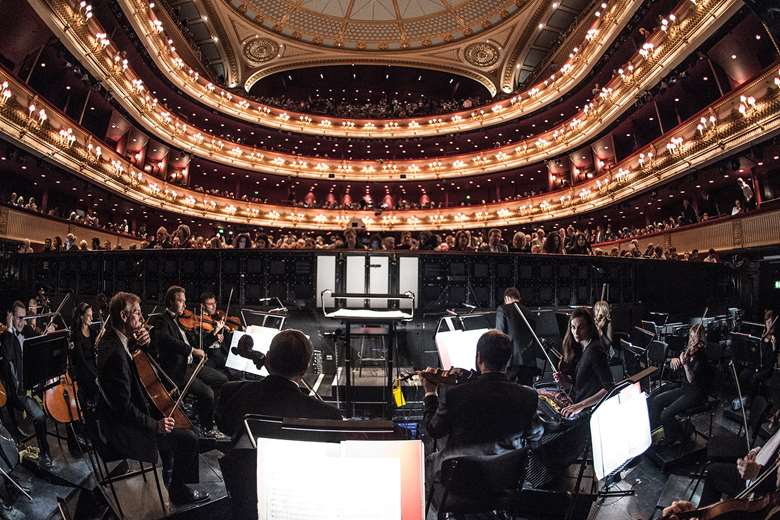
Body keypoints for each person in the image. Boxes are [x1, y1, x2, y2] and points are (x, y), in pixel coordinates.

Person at [95, 292, 209, 505]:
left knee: (188, 426)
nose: (141, 318)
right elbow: (124, 409)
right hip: (123, 430)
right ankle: (179, 492)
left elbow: (140, 367)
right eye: (137, 313)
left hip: (130, 412)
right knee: (189, 438)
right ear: (124, 316)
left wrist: (144, 345)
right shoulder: (114, 355)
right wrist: (156, 425)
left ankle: (169, 471)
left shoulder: (116, 339)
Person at [218, 330, 342, 520]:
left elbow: (225, 427)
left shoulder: (232, 393)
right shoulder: (326, 414)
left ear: (268, 359)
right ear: (305, 368)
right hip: (301, 502)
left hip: (247, 498)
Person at [423, 329, 538, 455]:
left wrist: (430, 393)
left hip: (464, 473)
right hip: (508, 471)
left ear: (479, 358)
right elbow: (535, 436)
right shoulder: (528, 396)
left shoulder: (454, 395)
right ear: (508, 360)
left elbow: (434, 430)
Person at [149, 286, 228, 440]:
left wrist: (213, 334)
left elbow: (198, 345)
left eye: (184, 301)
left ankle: (201, 413)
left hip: (192, 366)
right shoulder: (161, 319)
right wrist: (191, 350)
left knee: (222, 380)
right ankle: (208, 427)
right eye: (180, 301)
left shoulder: (180, 322)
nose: (184, 305)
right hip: (178, 370)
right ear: (170, 301)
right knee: (208, 393)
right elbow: (165, 339)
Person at [0, 301, 53, 467]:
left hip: (31, 385)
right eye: (18, 318)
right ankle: (45, 454)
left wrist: (47, 335)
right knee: (39, 416)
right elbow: (7, 357)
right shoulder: (6, 337)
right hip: (16, 392)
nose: (22, 322)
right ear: (11, 318)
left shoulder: (27, 332)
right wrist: (9, 329)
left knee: (45, 410)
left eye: (24, 318)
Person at [649, 324, 712, 446]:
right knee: (656, 401)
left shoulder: (702, 355)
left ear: (701, 339)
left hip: (696, 393)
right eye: (690, 337)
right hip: (685, 388)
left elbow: (691, 379)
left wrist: (686, 365)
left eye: (695, 338)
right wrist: (675, 359)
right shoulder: (689, 350)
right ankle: (659, 431)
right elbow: (679, 363)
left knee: (666, 414)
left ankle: (674, 436)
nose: (692, 341)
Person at [554, 308, 614, 417]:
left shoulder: (595, 350)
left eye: (581, 327)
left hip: (589, 413)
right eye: (573, 327)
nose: (576, 332)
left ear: (589, 327)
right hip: (579, 406)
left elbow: (609, 388)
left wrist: (579, 406)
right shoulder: (582, 347)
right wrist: (566, 382)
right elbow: (586, 385)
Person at [495, 287, 537, 384]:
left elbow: (499, 335)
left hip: (511, 360)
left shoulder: (502, 309)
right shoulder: (529, 313)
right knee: (525, 393)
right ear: (519, 298)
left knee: (508, 393)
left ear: (506, 298)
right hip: (528, 361)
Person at [197, 291, 228, 371]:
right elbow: (202, 343)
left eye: (215, 303)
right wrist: (215, 331)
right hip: (209, 357)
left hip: (220, 353)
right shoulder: (197, 321)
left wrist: (220, 339)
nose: (214, 306)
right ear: (202, 306)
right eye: (210, 304)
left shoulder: (213, 319)